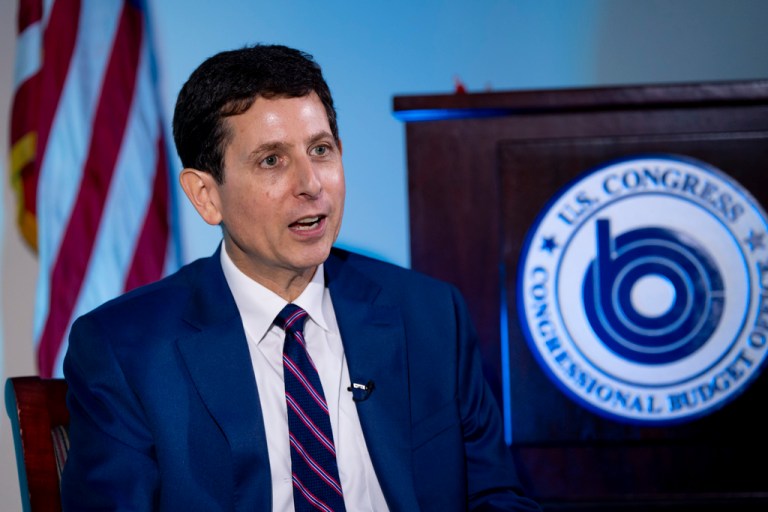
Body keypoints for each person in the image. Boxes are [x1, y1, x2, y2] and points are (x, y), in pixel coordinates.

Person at [60, 44, 541, 512]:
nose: (311, 184)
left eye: (321, 150)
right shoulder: (125, 350)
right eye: (272, 160)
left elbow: (495, 497)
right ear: (205, 195)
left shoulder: (431, 316)